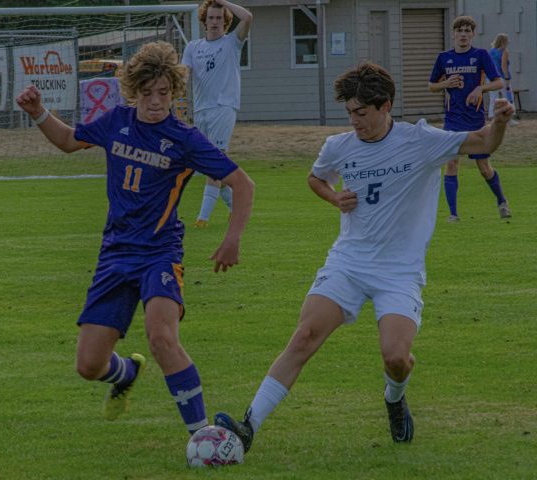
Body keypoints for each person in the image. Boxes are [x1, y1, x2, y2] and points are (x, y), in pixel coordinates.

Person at [213, 61, 514, 452]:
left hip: (399, 272)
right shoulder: (339, 146)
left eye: (362, 112)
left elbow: (485, 141)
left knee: (397, 357)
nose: (355, 121)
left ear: (385, 106)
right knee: (304, 336)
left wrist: (502, 121)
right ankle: (248, 425)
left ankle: (394, 397)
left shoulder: (420, 140)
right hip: (349, 262)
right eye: (349, 113)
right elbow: (316, 177)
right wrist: (334, 196)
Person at [15, 41, 254, 435]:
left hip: (160, 252)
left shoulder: (185, 138)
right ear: (134, 91)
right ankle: (125, 373)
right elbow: (69, 141)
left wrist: (233, 239)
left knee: (161, 337)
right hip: (115, 254)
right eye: (147, 93)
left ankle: (202, 436)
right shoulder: (116, 122)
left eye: (163, 93)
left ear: (175, 92)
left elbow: (242, 184)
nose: (156, 101)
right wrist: (39, 112)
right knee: (89, 365)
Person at [428, 16, 511, 222]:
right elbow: (431, 86)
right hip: (452, 120)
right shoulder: (444, 58)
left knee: (484, 168)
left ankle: (502, 201)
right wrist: (446, 83)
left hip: (475, 121)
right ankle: (453, 214)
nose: (463, 34)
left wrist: (480, 88)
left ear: (473, 34)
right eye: (460, 30)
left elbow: (499, 82)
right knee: (451, 164)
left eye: (467, 31)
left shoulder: (481, 55)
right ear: (453, 34)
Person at [181, 0, 252, 228]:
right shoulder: (193, 47)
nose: (214, 22)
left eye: (219, 18)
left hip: (224, 107)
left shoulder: (232, 43)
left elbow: (248, 17)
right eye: (210, 17)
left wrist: (221, 2)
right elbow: (184, 76)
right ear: (204, 21)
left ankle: (203, 218)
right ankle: (236, 209)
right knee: (210, 167)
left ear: (226, 21)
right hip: (201, 110)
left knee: (216, 159)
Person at [488, 33, 518, 125]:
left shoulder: (492, 51)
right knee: (508, 96)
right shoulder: (504, 51)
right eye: (507, 40)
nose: (508, 42)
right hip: (501, 77)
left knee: (493, 98)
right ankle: (509, 118)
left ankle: (492, 117)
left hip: (491, 77)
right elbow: (503, 66)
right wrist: (507, 77)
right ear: (503, 42)